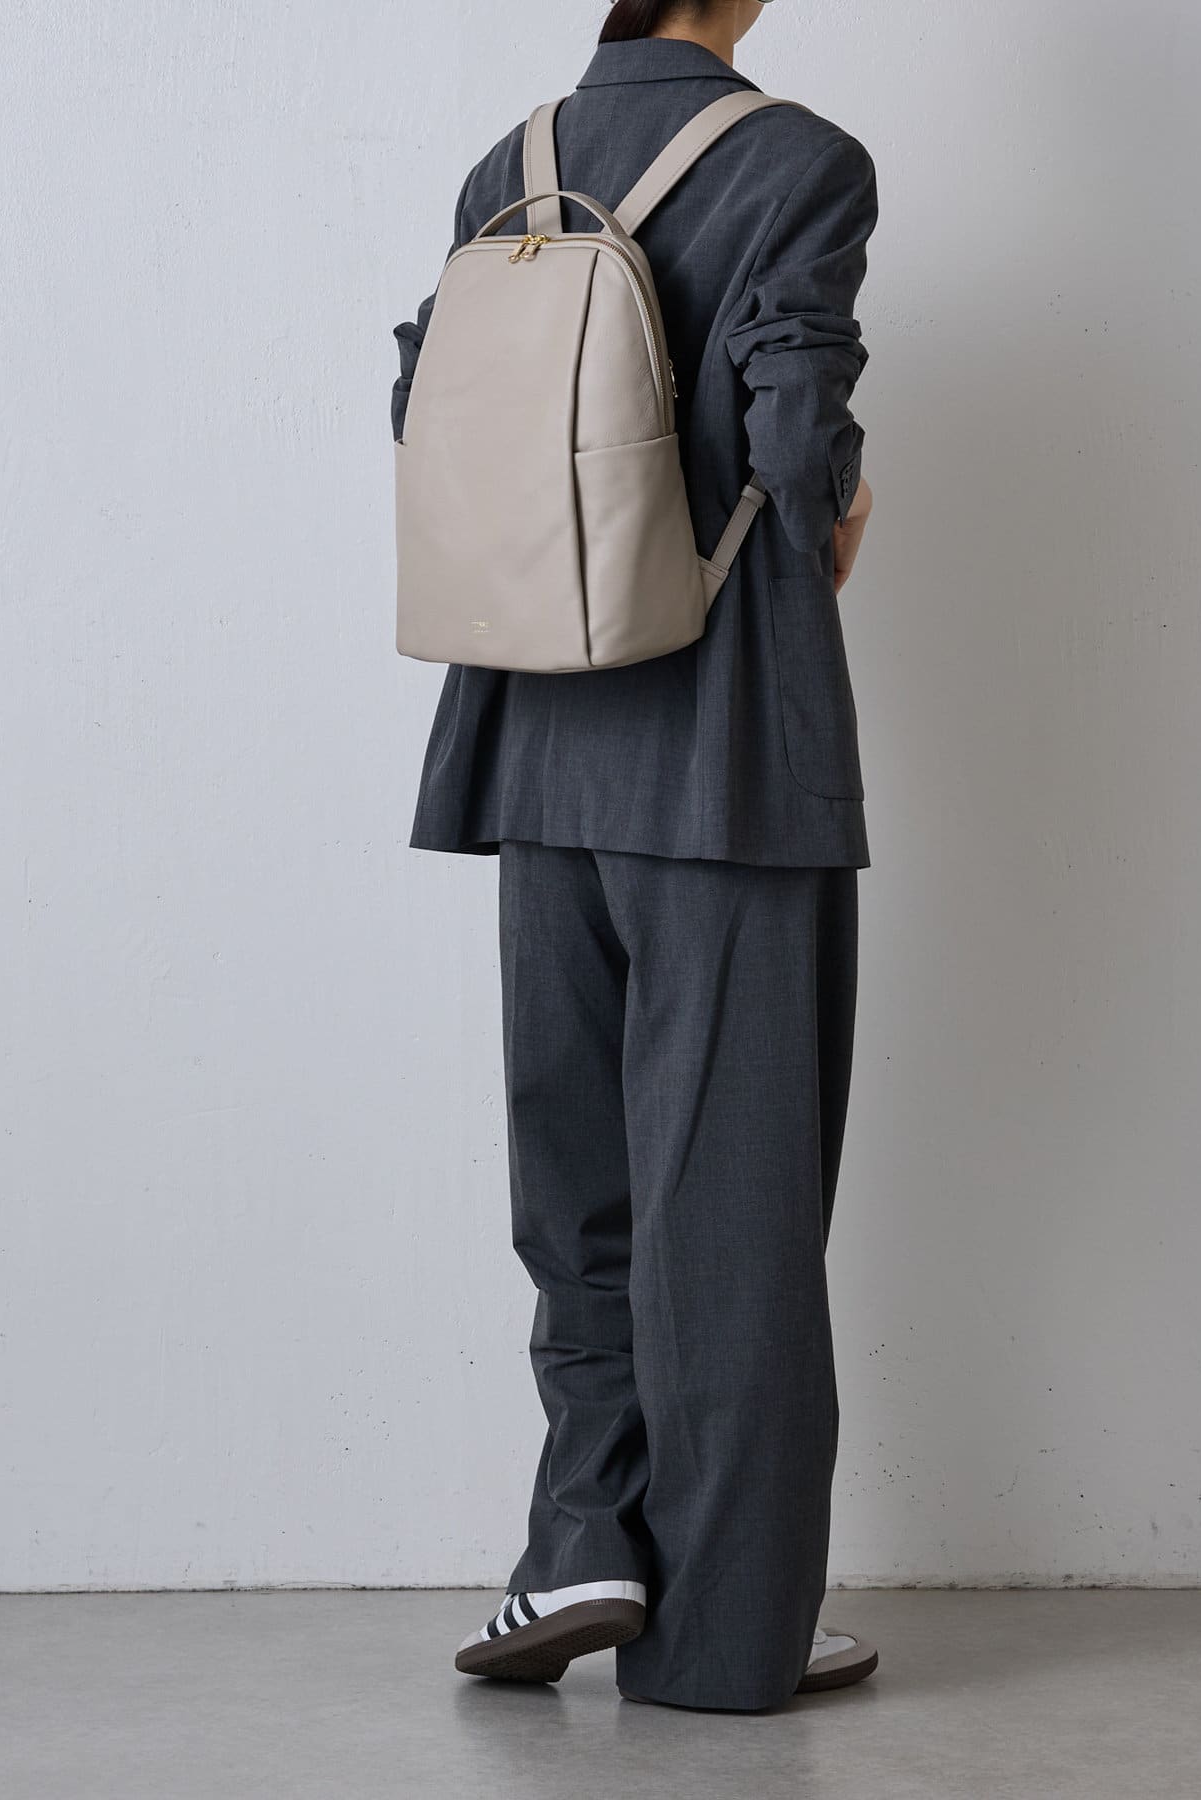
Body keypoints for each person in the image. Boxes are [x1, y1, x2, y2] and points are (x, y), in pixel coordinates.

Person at [392, 0, 878, 1711]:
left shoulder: (508, 169)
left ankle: (581, 1537)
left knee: (578, 1183)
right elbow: (791, 432)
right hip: (727, 756)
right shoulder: (802, 161)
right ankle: (724, 1636)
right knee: (729, 1201)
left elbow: (424, 410)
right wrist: (838, 509)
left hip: (532, 734)